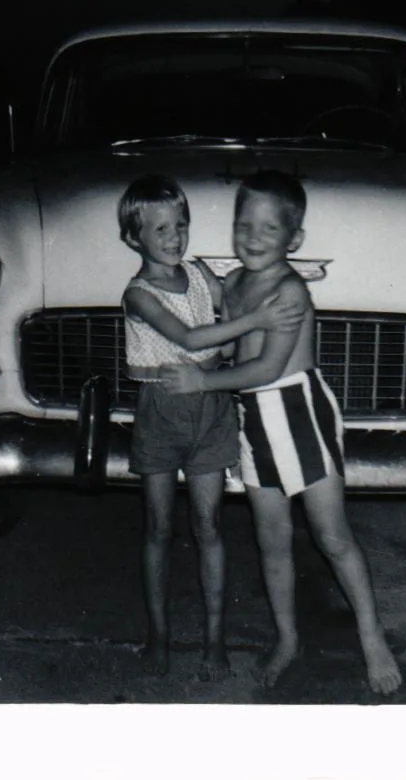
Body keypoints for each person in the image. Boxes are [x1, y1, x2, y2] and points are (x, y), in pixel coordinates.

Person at [160, 170, 402, 694]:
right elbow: (231, 345)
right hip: (255, 420)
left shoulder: (290, 291)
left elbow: (268, 367)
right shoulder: (234, 284)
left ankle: (372, 636)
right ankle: (288, 640)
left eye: (269, 229)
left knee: (332, 537)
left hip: (299, 412)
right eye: (243, 225)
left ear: (294, 239)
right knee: (272, 541)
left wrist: (202, 381)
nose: (252, 237)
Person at [118, 174, 302, 680]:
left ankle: (214, 641)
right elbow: (191, 337)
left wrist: (279, 288)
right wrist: (257, 322)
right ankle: (158, 637)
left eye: (181, 225)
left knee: (209, 525)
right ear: (134, 237)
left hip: (212, 407)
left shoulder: (199, 272)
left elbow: (233, 304)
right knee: (158, 527)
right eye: (160, 229)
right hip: (160, 411)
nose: (175, 237)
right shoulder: (138, 295)